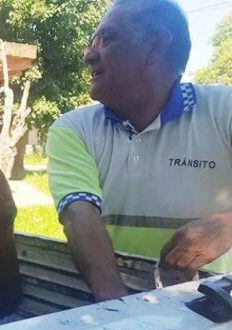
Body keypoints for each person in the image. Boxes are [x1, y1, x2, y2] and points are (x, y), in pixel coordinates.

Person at [47, 0, 232, 302]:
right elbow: (79, 217)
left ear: (155, 46)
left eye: (106, 39)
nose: (89, 55)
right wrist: (122, 315)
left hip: (214, 319)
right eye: (91, 42)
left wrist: (228, 225)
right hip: (115, 309)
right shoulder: (73, 129)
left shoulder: (224, 110)